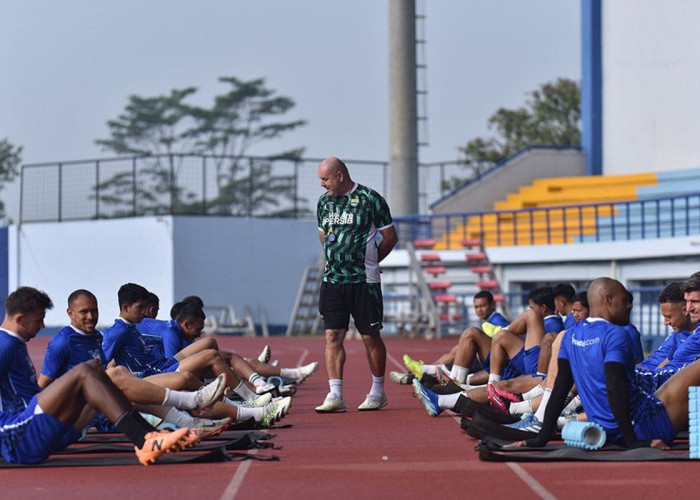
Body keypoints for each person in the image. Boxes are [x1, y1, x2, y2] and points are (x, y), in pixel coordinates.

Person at [38, 289, 285, 432]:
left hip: (123, 388)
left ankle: (247, 407)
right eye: (84, 312)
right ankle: (248, 408)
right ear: (70, 314)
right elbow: (43, 385)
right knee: (190, 377)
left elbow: (105, 367)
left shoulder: (97, 337)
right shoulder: (66, 342)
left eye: (94, 310)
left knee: (209, 356)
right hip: (103, 407)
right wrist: (43, 416)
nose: (91, 316)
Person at [0, 286, 195, 465]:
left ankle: (153, 435)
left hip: (44, 428)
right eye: (38, 320)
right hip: (22, 436)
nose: (42, 325)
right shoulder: (4, 346)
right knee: (85, 371)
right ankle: (176, 414)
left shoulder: (14, 342)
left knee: (99, 376)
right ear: (19, 319)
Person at [520, 277, 700, 449]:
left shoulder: (570, 336)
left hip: (608, 431)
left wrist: (541, 438)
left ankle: (533, 414)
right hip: (645, 425)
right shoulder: (616, 334)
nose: (629, 305)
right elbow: (615, 386)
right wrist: (634, 442)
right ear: (608, 300)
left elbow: (560, 388)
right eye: (624, 300)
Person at [314, 156, 398, 413]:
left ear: (340, 175)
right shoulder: (324, 203)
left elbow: (390, 237)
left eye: (325, 179)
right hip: (333, 281)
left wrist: (372, 259)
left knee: (370, 336)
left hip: (364, 281)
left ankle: (377, 391)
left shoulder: (370, 199)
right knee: (332, 336)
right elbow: (322, 236)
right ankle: (335, 394)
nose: (322, 185)